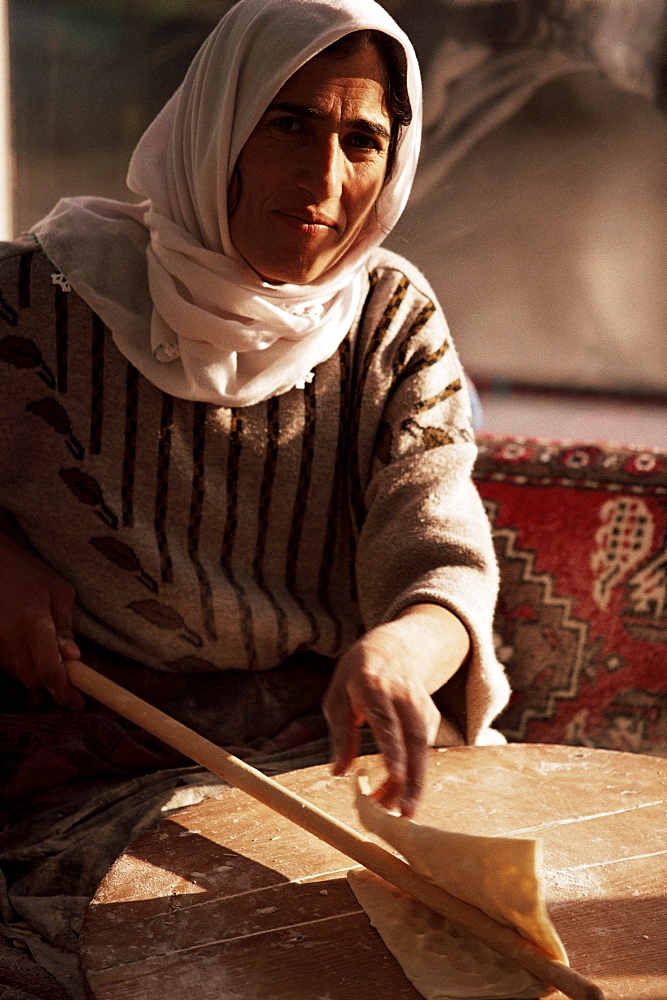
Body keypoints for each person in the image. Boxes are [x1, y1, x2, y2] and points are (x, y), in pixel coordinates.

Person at [0, 0, 509, 822]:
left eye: (362, 141)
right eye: (287, 125)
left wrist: (403, 650)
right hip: (83, 747)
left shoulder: (390, 320)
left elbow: (439, 553)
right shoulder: (36, 302)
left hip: (318, 742)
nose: (324, 180)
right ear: (217, 124)